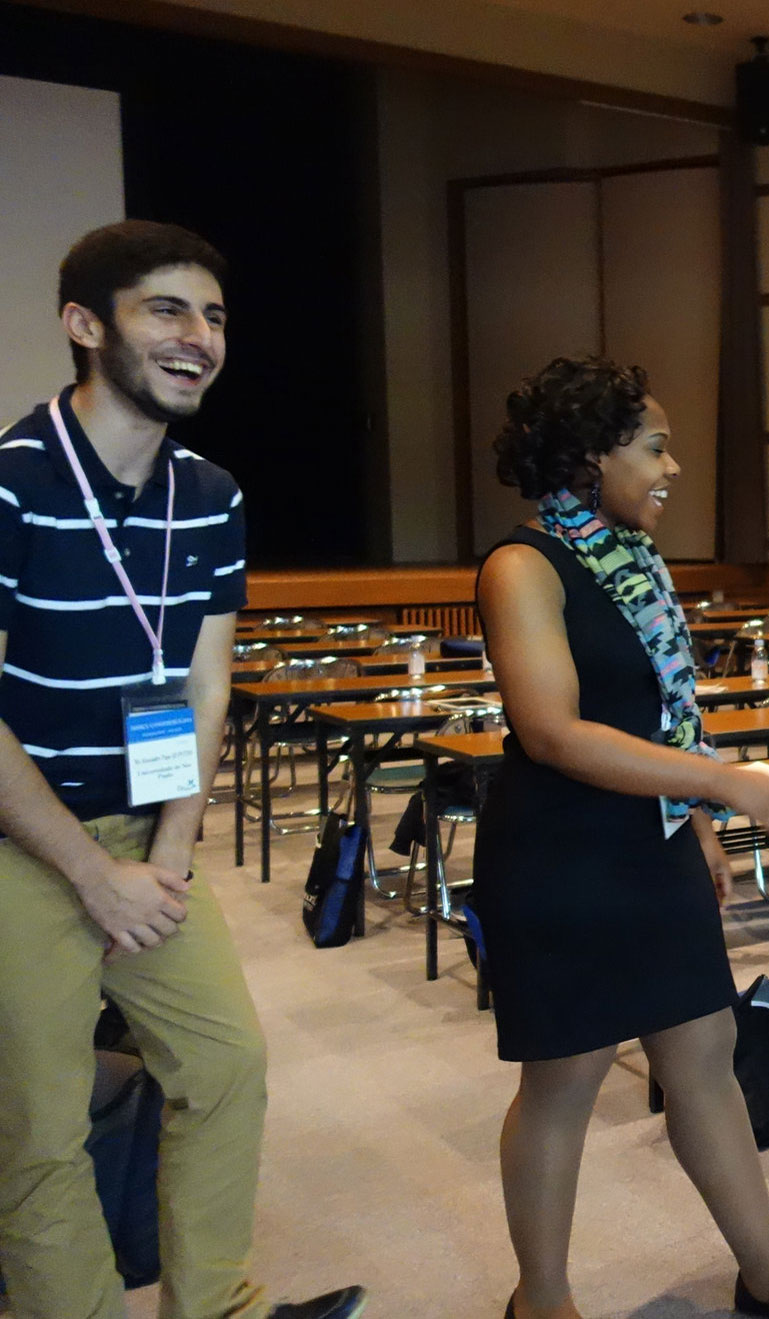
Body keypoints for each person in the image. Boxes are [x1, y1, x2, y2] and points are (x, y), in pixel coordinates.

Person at [0, 221, 364, 1318]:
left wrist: (162, 855)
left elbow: (202, 688)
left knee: (226, 1065)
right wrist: (89, 871)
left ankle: (211, 1308)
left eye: (212, 316)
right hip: (25, 842)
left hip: (146, 842)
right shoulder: (12, 482)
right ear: (84, 324)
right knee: (40, 1124)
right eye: (167, 309)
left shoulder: (209, 493)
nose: (199, 337)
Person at [475, 357, 769, 1319]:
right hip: (560, 858)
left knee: (706, 1061)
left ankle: (765, 1272)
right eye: (653, 446)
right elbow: (553, 730)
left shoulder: (634, 561)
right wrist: (722, 784)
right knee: (564, 1080)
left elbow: (662, 715)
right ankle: (543, 1299)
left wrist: (695, 826)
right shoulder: (522, 566)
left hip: (649, 847)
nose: (672, 465)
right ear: (588, 455)